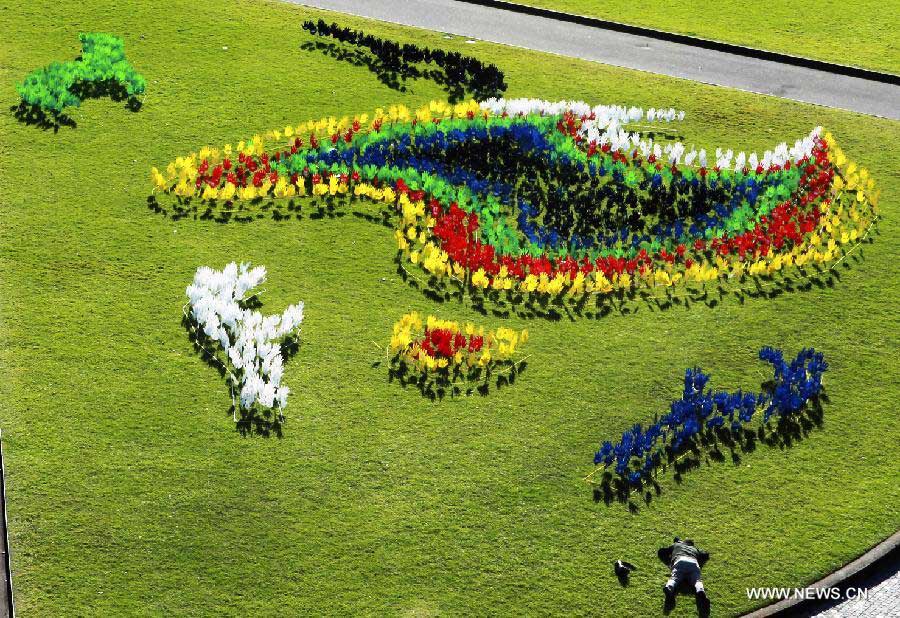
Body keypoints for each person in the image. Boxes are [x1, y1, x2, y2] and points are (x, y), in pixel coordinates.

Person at [658, 537, 709, 602]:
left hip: (680, 560)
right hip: (693, 562)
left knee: (675, 577)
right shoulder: (694, 548)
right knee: (696, 580)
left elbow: (661, 551)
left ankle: (669, 587)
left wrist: (670, 558)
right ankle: (700, 590)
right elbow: (705, 554)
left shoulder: (677, 545)